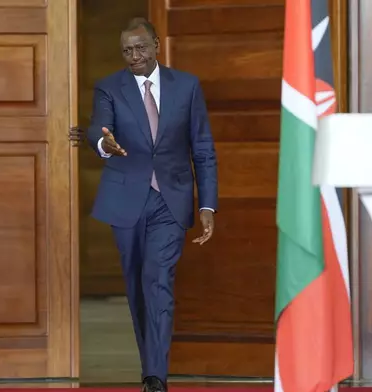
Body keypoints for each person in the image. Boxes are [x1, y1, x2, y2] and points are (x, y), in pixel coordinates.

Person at [87, 17, 218, 392]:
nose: (134, 56)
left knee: (157, 280)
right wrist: (103, 143)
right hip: (126, 199)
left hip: (171, 201)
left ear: (156, 44)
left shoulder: (187, 86)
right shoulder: (109, 87)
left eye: (140, 48)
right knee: (136, 286)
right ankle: (151, 366)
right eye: (127, 51)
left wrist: (207, 204)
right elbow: (99, 127)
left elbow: (203, 148)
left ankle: (155, 377)